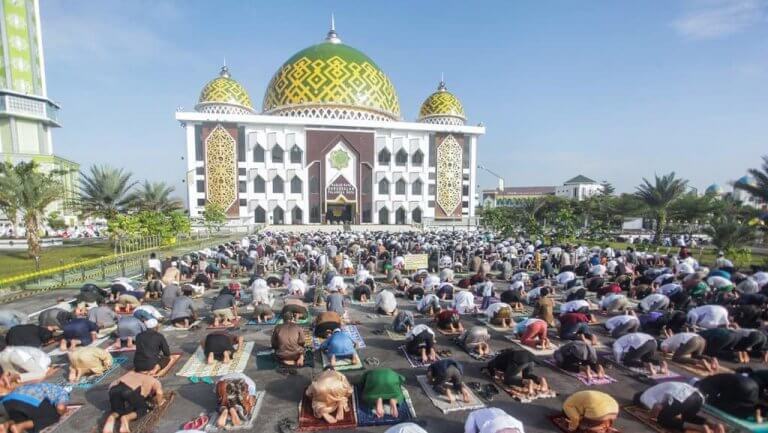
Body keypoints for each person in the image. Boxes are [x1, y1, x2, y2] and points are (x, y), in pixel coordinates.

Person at [635, 382, 724, 433]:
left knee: (662, 418)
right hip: (698, 396)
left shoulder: (644, 397)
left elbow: (657, 407)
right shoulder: (655, 389)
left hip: (683, 397)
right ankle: (714, 425)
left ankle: (700, 428)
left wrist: (648, 417)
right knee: (688, 417)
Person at [0, 383, 70, 433]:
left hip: (7, 401)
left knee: (26, 418)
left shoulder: (41, 385)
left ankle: (7, 425)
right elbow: (60, 407)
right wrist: (64, 411)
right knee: (54, 415)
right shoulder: (62, 392)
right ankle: (20, 426)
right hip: (29, 399)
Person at [695, 373, 764, 422]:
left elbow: (711, 400)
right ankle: (753, 411)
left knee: (721, 407)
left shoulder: (705, 385)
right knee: (744, 403)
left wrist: (709, 405)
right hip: (752, 386)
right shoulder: (714, 378)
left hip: (743, 386)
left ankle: (751, 411)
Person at [484, 349, 549, 397]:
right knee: (526, 375)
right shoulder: (504, 356)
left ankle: (528, 382)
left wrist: (494, 374)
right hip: (530, 359)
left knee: (508, 379)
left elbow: (492, 372)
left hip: (519, 359)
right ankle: (541, 379)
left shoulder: (494, 363)